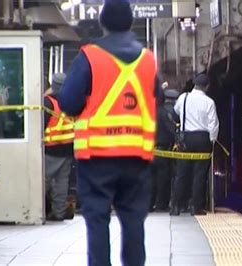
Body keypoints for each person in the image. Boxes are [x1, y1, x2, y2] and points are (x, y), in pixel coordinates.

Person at [58, 0, 160, 265]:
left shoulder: (89, 56)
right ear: (130, 22)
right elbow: (156, 99)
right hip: (137, 157)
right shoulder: (148, 60)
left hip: (96, 158)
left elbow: (67, 102)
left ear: (101, 23)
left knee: (98, 221)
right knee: (134, 220)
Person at [170, 73, 219, 216]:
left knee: (182, 173)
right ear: (207, 87)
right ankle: (196, 207)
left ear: (194, 84)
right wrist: (212, 140)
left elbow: (175, 114)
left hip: (186, 138)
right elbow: (213, 124)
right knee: (199, 175)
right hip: (203, 138)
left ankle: (176, 206)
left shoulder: (183, 98)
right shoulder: (209, 102)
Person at [43, 73, 74, 221]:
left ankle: (39, 210)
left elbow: (41, 125)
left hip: (51, 148)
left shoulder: (47, 102)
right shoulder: (71, 101)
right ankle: (59, 213)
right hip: (68, 148)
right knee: (62, 182)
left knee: (44, 181)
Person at [150, 88, 179, 212]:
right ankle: (161, 204)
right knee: (163, 178)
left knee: (150, 179)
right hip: (162, 150)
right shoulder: (163, 113)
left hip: (148, 150)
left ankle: (148, 204)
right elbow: (170, 130)